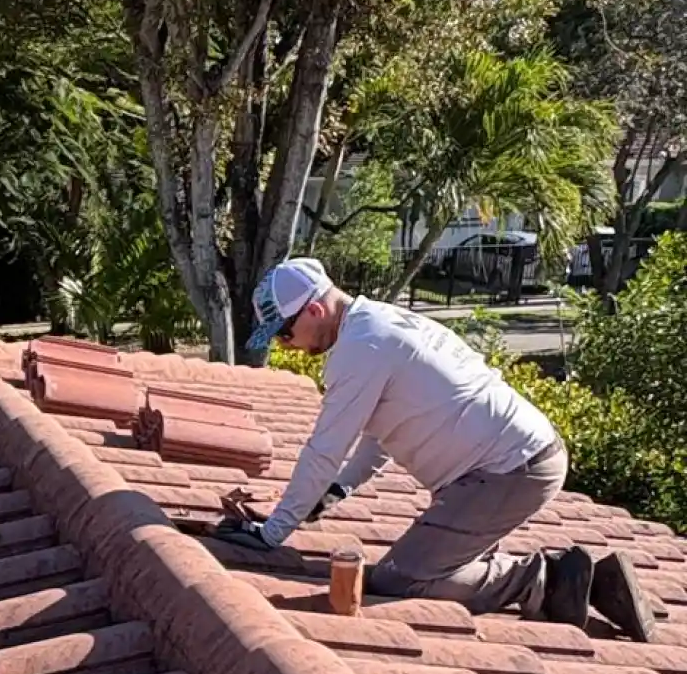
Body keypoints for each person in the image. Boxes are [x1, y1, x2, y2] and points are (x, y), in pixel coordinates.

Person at [224, 257, 655, 642]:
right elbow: (377, 438)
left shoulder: (361, 347)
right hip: (513, 464)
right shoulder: (377, 325)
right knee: (420, 568)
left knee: (402, 581)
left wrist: (272, 534)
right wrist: (334, 493)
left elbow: (324, 450)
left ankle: (552, 579)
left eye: (284, 332)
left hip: (508, 470)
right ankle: (574, 580)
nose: (285, 345)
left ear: (315, 310)